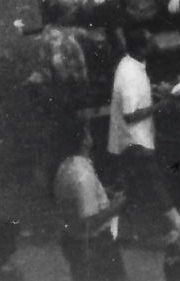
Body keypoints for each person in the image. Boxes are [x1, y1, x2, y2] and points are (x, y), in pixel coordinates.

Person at [108, 29, 178, 239]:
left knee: (134, 185)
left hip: (136, 137)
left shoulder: (133, 65)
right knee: (153, 179)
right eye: (149, 41)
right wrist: (159, 106)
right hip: (134, 139)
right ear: (140, 47)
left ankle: (117, 229)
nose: (154, 44)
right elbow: (130, 115)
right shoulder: (129, 74)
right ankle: (176, 222)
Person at [53, 120, 124, 281]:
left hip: (75, 242)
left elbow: (77, 198)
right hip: (95, 246)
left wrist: (104, 192)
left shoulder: (65, 167)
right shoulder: (82, 174)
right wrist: (116, 207)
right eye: (88, 132)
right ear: (84, 140)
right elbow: (88, 222)